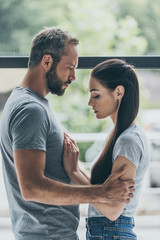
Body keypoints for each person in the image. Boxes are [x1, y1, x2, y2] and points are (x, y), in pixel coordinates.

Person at [0, 28, 135, 240]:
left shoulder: (32, 105)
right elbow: (32, 187)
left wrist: (74, 170)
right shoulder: (30, 109)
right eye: (69, 67)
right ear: (46, 62)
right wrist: (102, 193)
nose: (73, 76)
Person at [63, 59, 150, 240]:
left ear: (119, 92)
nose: (89, 102)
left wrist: (73, 172)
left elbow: (112, 211)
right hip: (108, 232)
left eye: (96, 95)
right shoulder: (120, 135)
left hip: (110, 231)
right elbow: (103, 191)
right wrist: (76, 166)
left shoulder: (128, 140)